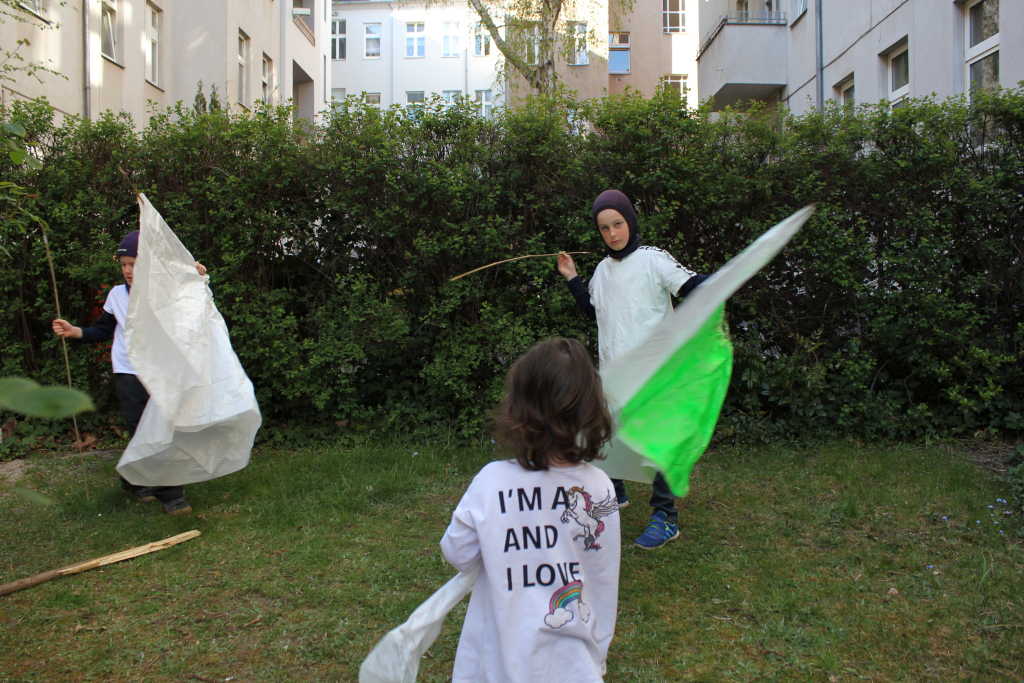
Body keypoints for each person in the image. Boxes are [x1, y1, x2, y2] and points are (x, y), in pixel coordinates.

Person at [440, 338, 620, 683]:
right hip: (576, 665)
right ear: (590, 408)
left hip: (497, 662)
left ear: (518, 408)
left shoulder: (491, 482)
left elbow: (458, 554)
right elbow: (602, 576)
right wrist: (598, 653)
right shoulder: (599, 487)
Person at [557, 189, 710, 550]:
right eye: (604, 228)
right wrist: (571, 277)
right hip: (615, 374)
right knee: (607, 434)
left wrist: (728, 276)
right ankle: (615, 494)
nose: (612, 234)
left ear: (630, 221)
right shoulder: (601, 271)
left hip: (656, 373)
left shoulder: (653, 260)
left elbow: (690, 286)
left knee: (658, 443)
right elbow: (595, 311)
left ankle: (665, 517)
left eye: (618, 224)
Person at [51, 230, 206, 516]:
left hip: (160, 372)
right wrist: (75, 331)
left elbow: (192, 304)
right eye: (123, 264)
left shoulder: (164, 292)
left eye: (133, 264)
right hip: (127, 373)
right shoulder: (116, 295)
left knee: (162, 429)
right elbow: (103, 330)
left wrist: (196, 275)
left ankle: (132, 479)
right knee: (144, 431)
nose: (127, 270)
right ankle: (171, 496)